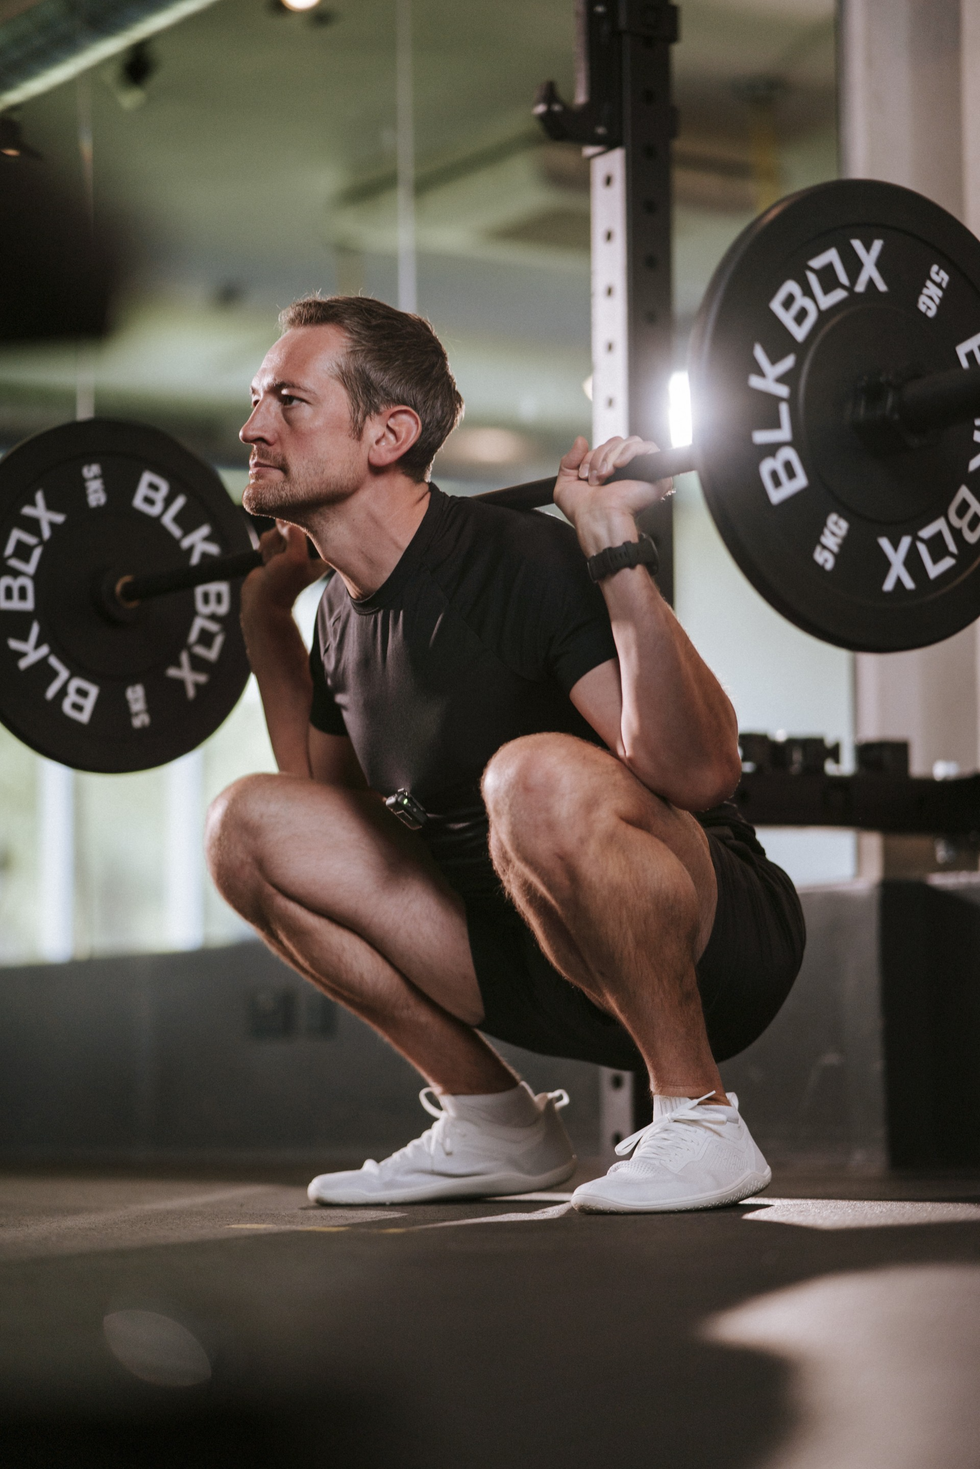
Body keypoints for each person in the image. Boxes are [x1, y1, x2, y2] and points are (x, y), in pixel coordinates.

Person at [205, 294, 805, 1214]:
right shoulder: (336, 614)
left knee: (530, 776)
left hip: (709, 943)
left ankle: (702, 1116)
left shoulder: (521, 560)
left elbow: (701, 776)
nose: (254, 427)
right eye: (257, 400)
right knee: (243, 827)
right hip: (529, 957)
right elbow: (325, 818)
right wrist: (261, 614)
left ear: (388, 434)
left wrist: (611, 546)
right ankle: (493, 1119)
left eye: (289, 401)